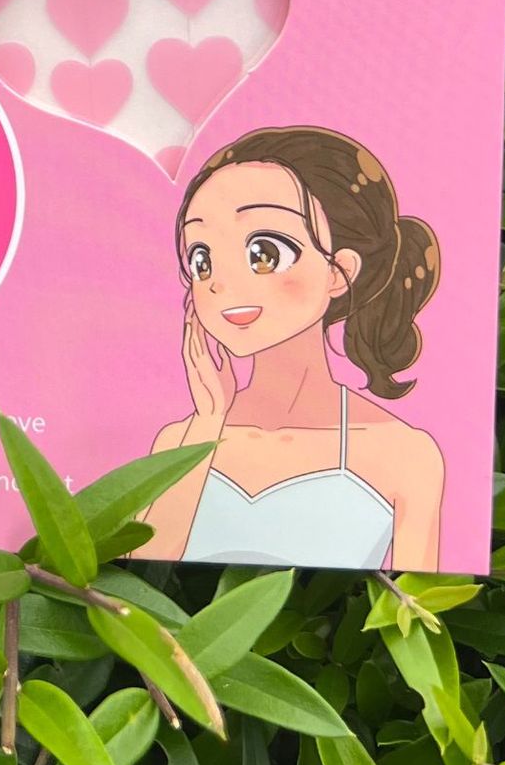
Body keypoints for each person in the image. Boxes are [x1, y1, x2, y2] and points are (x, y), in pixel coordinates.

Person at [140, 125, 444, 569]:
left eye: (264, 253)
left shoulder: (405, 454)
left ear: (340, 272)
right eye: (201, 259)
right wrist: (208, 422)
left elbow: (420, 595)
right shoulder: (180, 440)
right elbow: (142, 569)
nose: (221, 283)